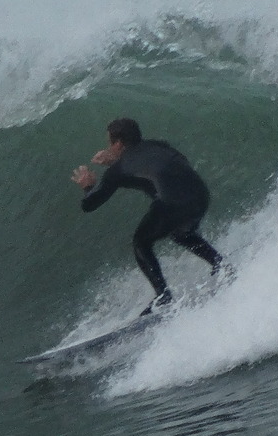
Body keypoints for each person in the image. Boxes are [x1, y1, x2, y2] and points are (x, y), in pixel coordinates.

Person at [70, 116, 225, 314]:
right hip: (200, 195)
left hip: (171, 204)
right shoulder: (159, 144)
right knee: (180, 234)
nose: (108, 147)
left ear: (117, 143)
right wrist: (119, 162)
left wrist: (88, 185)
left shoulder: (118, 170)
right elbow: (173, 163)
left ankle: (163, 296)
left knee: (141, 242)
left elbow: (90, 204)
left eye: (110, 142)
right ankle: (220, 265)